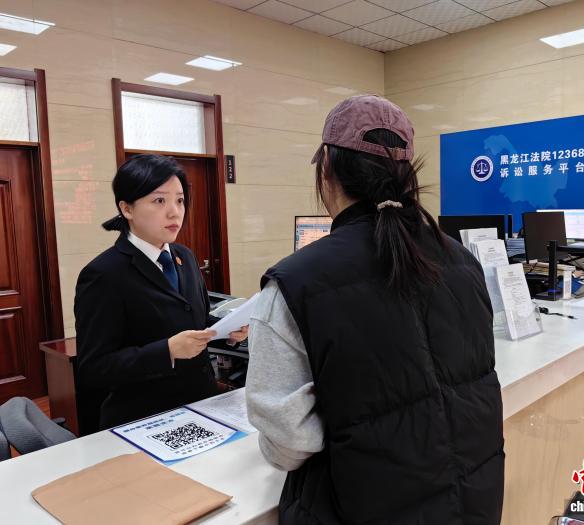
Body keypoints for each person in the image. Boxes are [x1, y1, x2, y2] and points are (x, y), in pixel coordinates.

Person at [245, 95, 504, 524]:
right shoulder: (463, 260)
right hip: (475, 504)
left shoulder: (294, 283)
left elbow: (288, 444)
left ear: (326, 166)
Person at [74, 154, 244, 431]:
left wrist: (229, 333)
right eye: (159, 201)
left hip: (201, 406)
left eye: (180, 200)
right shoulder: (104, 274)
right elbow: (94, 368)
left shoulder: (185, 257)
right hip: (146, 419)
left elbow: (195, 322)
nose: (175, 212)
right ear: (127, 209)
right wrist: (167, 351)